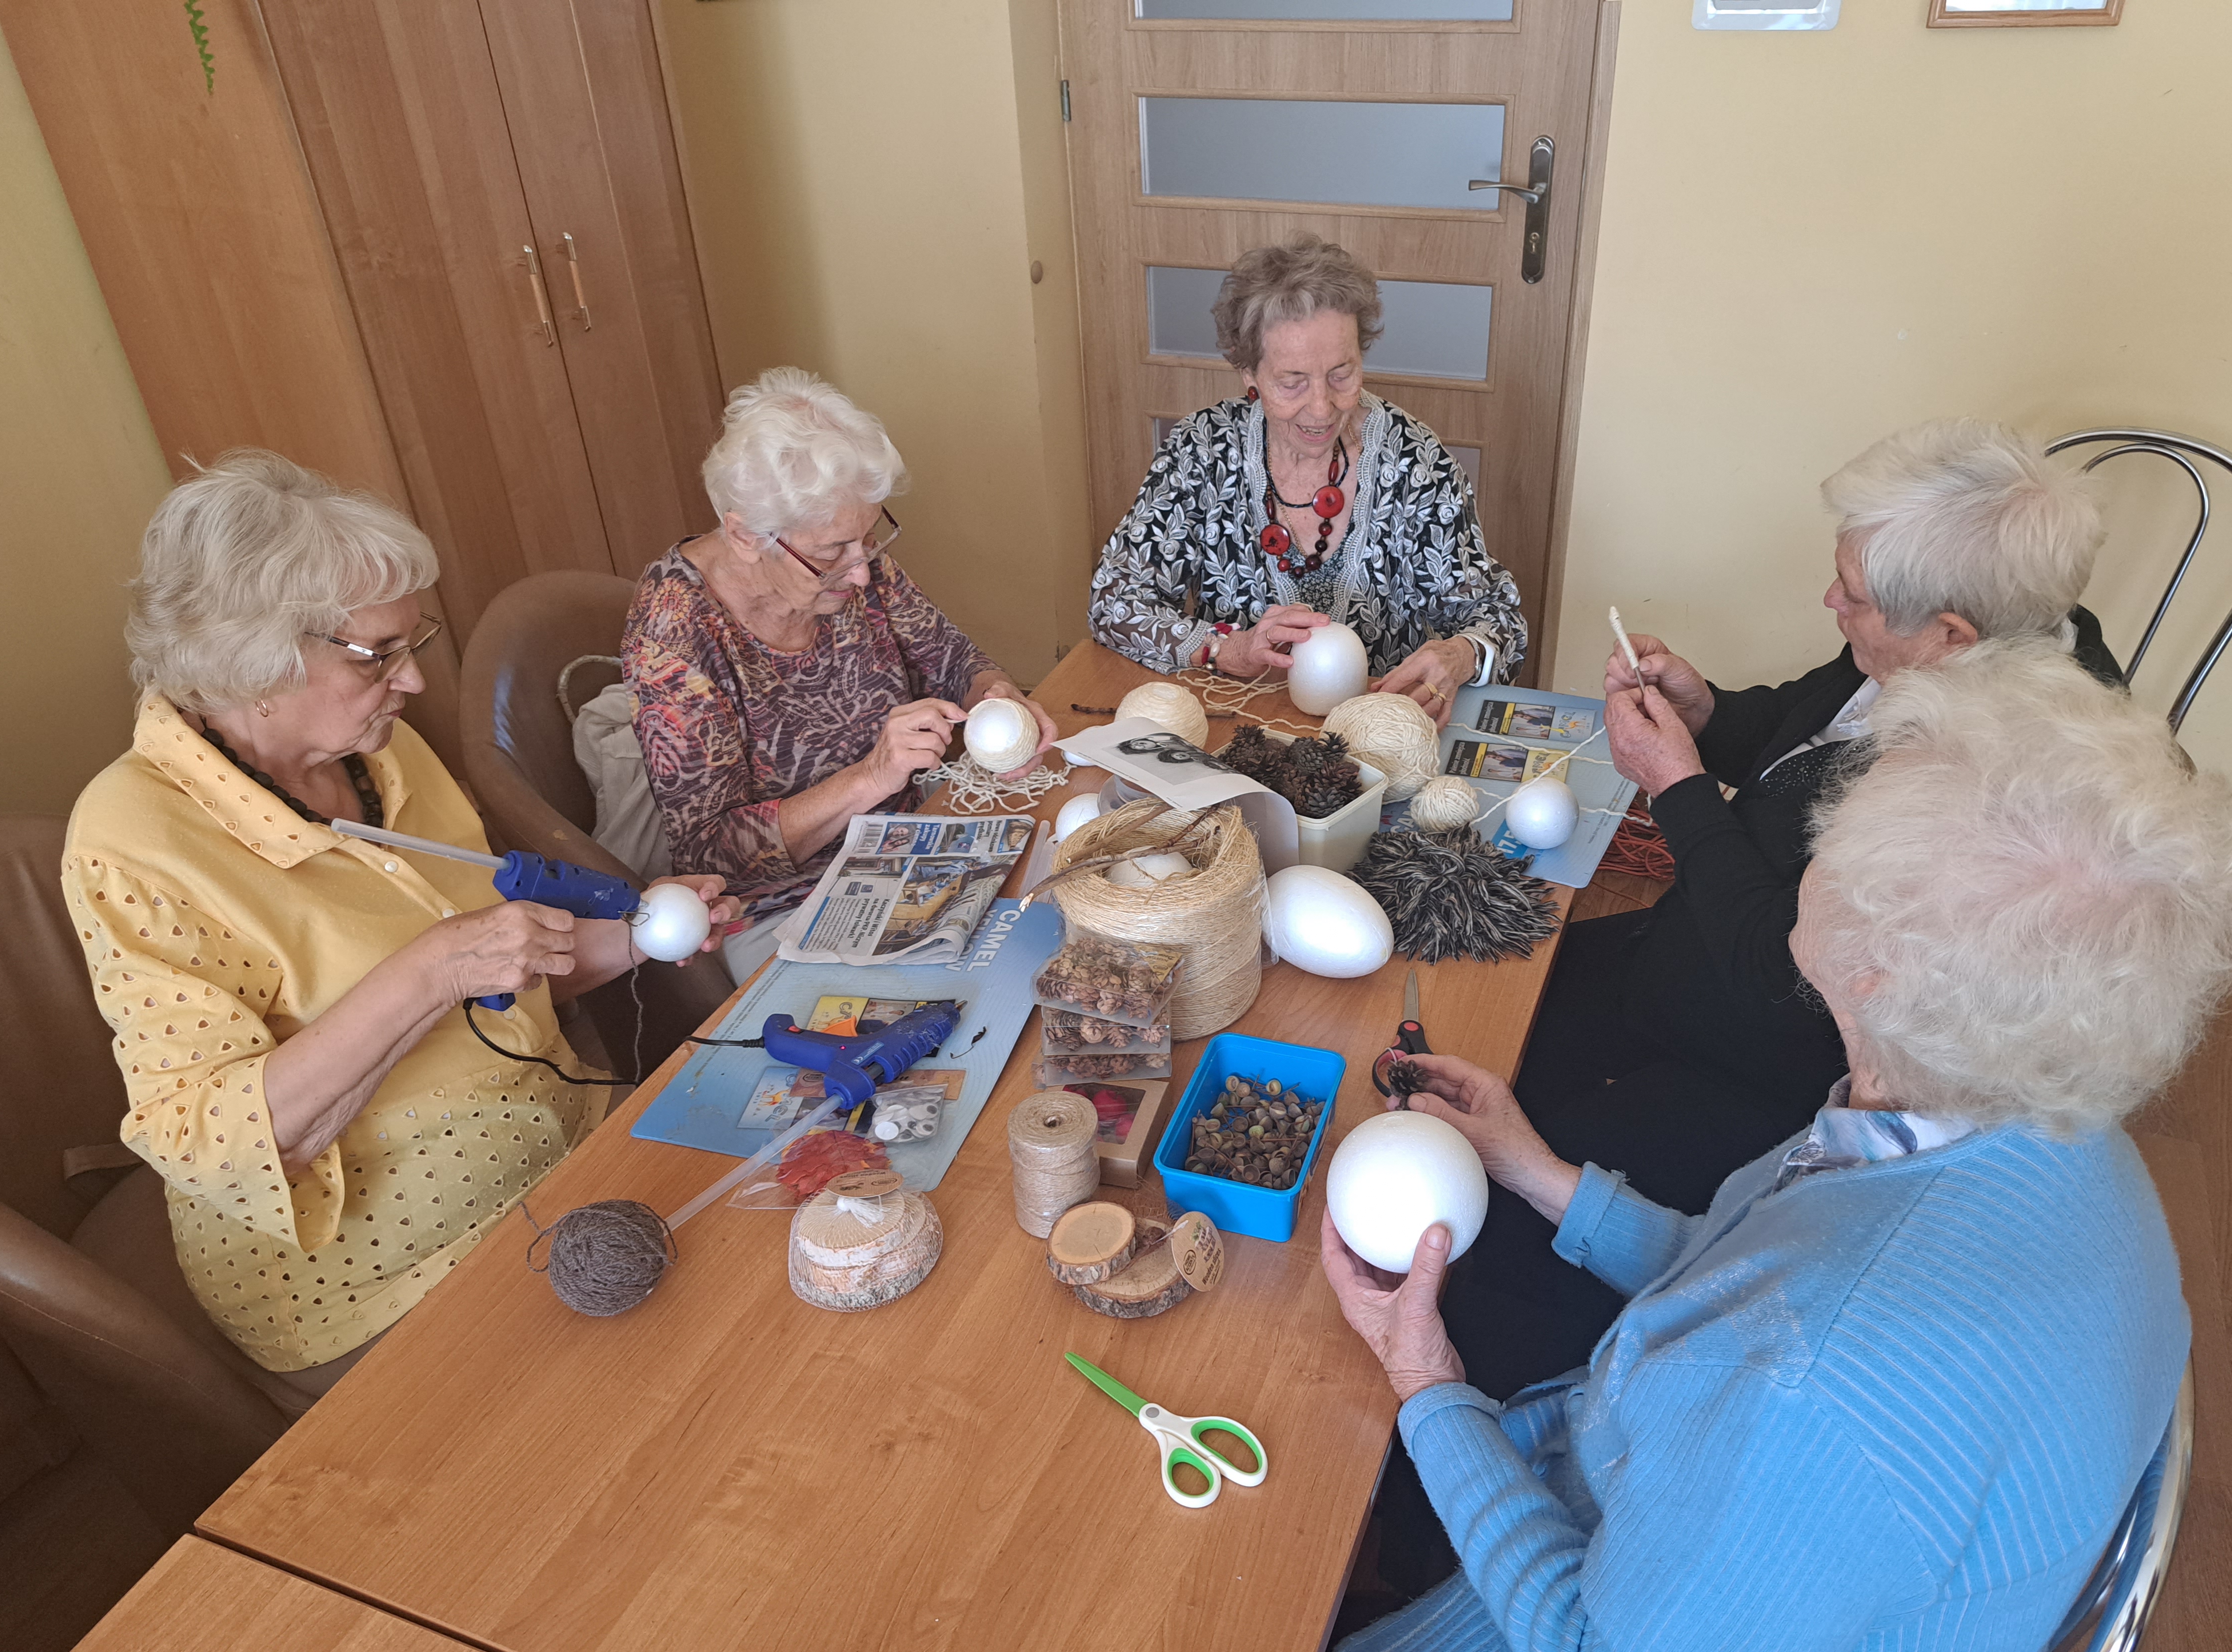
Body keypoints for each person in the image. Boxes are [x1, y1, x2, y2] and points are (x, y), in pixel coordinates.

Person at [1318, 641, 2232, 1652]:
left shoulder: (1811, 1390)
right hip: (1738, 1578)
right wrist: (1539, 1172)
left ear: (1870, 970)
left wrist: (1425, 1380)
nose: (1800, 849)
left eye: (1830, 838)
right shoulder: (2032, 1125)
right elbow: (1748, 1284)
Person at [1442, 418, 2128, 1401]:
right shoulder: (1930, 642)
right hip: (1700, 952)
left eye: (1849, 596)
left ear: (1950, 637)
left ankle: (1501, 1415)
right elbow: (1795, 729)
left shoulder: (1983, 788)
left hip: (1779, 1067)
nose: (1828, 602)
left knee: (1517, 1202)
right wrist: (1705, 712)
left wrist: (1675, 788)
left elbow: (1785, 976)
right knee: (1496, 1013)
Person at [62, 453, 740, 1391]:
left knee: (762, 1289)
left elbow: (501, 966)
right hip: (374, 1264)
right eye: (377, 654)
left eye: (408, 639)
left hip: (562, 1134)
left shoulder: (378, 753)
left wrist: (637, 938)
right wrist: (429, 970)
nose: (414, 680)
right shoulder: (134, 839)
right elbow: (212, 1143)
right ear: (251, 659)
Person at [622, 368, 1056, 980]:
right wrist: (873, 775)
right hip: (787, 903)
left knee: (1061, 925)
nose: (861, 574)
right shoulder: (675, 632)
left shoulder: (852, 561)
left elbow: (955, 659)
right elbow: (715, 856)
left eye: (870, 540)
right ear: (746, 536)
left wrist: (999, 699)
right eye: (832, 553)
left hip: (913, 838)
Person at [1086, 234, 1525, 724]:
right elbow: (1115, 601)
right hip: (1237, 726)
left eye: (1341, 374)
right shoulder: (1203, 451)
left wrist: (1457, 656)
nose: (1321, 407)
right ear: (1247, 373)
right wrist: (1224, 650)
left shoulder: (1415, 463)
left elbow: (1499, 623)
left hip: (1380, 735)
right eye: (1292, 382)